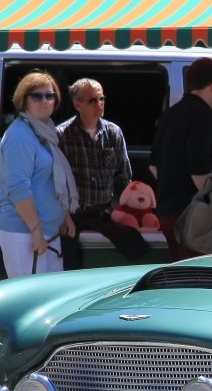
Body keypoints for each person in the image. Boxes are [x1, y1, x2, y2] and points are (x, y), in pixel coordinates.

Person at [0, 71, 77, 277]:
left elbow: (49, 181)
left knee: (53, 295)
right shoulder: (19, 135)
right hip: (23, 232)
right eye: (37, 96)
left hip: (47, 232)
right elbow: (18, 187)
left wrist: (64, 215)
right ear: (24, 100)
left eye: (50, 96)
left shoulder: (45, 131)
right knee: (30, 297)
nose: (44, 101)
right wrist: (36, 231)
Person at [57, 77, 148, 263]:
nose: (99, 104)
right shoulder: (62, 135)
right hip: (73, 216)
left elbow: (124, 177)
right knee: (70, 263)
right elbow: (55, 182)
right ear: (77, 104)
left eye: (101, 99)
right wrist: (63, 215)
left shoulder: (113, 132)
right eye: (92, 100)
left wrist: (125, 211)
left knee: (133, 248)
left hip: (105, 214)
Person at [151, 57, 212, 260]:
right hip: (191, 216)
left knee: (181, 272)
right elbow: (198, 172)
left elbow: (153, 167)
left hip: (167, 211)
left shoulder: (170, 113)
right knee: (197, 274)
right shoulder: (202, 115)